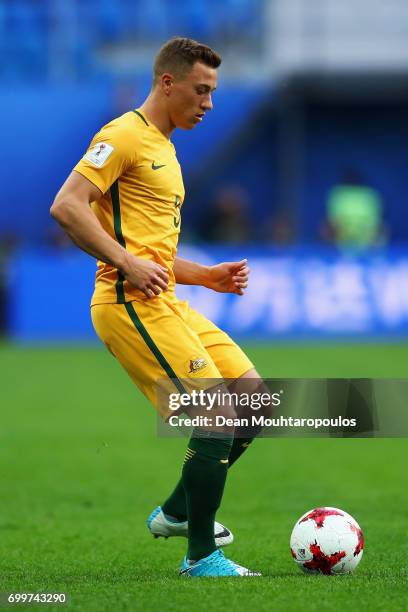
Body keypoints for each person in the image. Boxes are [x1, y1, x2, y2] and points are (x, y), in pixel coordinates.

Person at [50, 37, 266, 577]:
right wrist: (125, 261)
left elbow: (154, 254)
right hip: (128, 303)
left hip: (163, 297)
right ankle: (200, 556)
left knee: (254, 401)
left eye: (213, 92)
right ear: (167, 83)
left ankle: (175, 512)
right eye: (201, 90)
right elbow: (67, 206)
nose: (209, 103)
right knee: (216, 415)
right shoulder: (122, 135)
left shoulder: (166, 148)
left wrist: (205, 276)